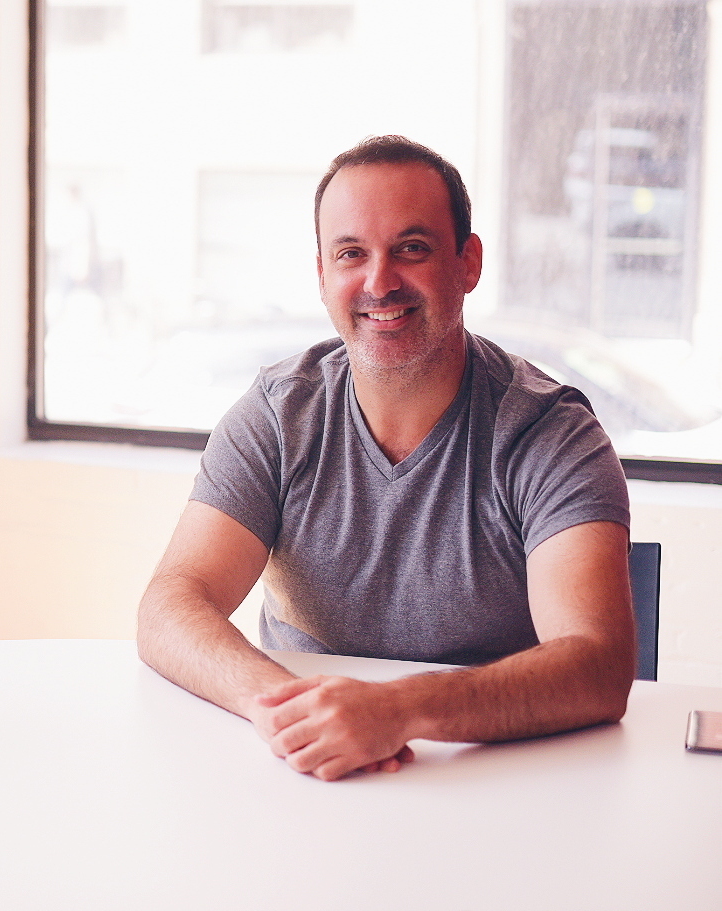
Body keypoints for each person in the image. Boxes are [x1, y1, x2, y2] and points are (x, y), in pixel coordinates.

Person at [136, 136, 635, 782]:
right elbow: (170, 602)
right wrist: (290, 709)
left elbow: (598, 663)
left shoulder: (548, 432)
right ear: (321, 275)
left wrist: (397, 710)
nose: (379, 281)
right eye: (351, 254)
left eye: (412, 248)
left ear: (468, 263)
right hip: (308, 772)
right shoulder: (278, 415)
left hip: (495, 782)